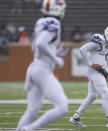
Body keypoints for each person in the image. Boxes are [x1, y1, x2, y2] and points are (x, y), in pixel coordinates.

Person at [16, 0, 68, 131]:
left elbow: (36, 47)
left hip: (35, 67)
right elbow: (40, 43)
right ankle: (29, 129)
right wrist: (56, 58)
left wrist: (54, 51)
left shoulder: (40, 22)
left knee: (32, 110)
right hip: (42, 69)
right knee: (62, 107)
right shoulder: (54, 22)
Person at [69, 25, 108, 128]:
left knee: (92, 96)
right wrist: (90, 64)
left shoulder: (106, 44)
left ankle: (75, 117)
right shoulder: (99, 41)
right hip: (94, 71)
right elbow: (82, 50)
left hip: (98, 71)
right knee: (105, 92)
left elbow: (105, 58)